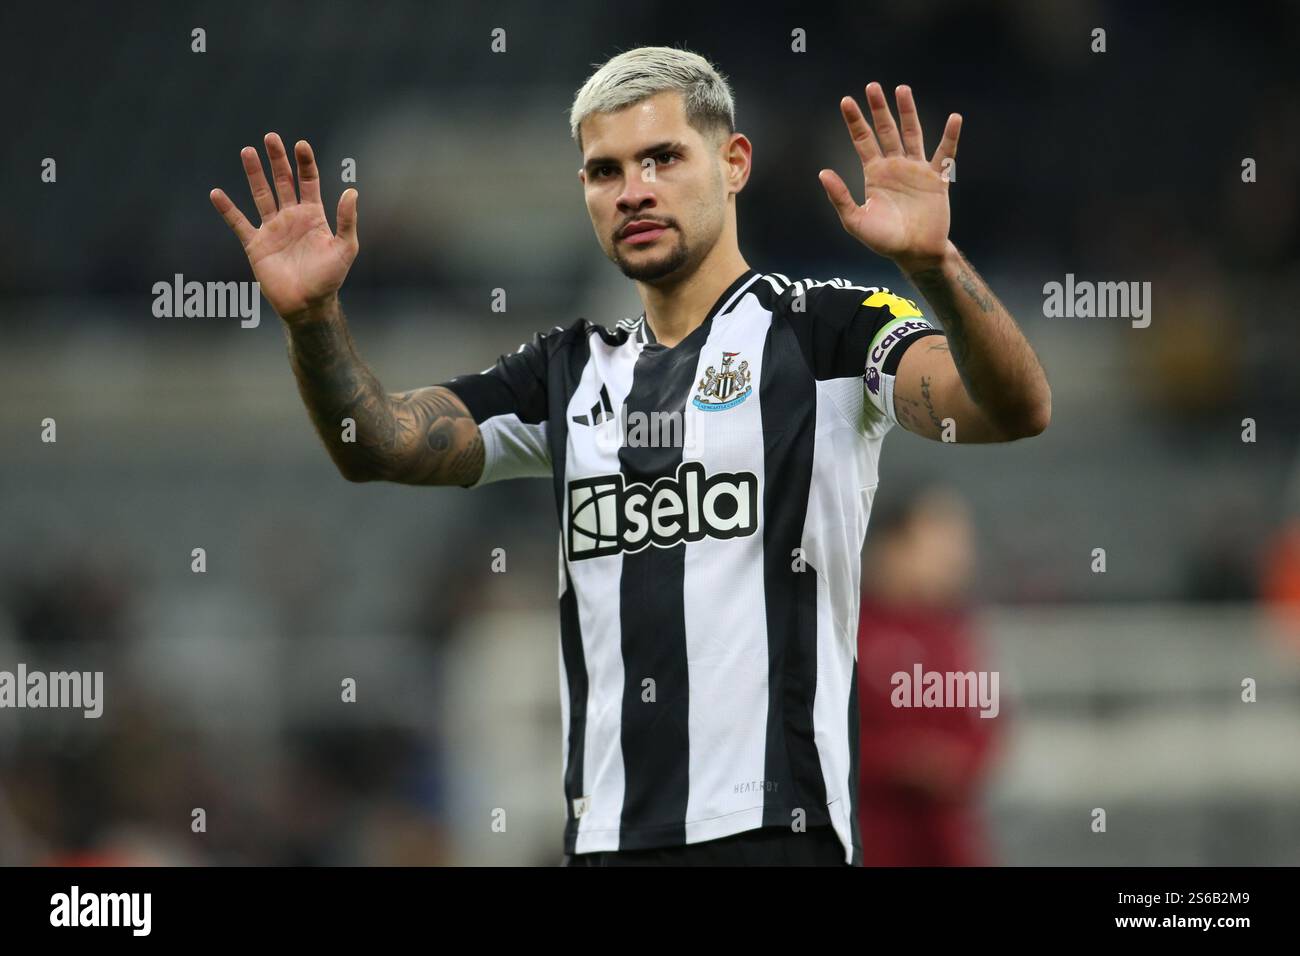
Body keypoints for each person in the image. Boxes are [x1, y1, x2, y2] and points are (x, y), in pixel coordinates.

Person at [209, 46, 1050, 866]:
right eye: (606, 171)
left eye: (662, 158)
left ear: (734, 163)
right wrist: (313, 317)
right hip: (607, 840)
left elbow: (1009, 408)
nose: (634, 191)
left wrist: (933, 265)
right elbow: (377, 443)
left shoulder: (827, 328)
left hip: (775, 831)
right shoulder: (564, 372)